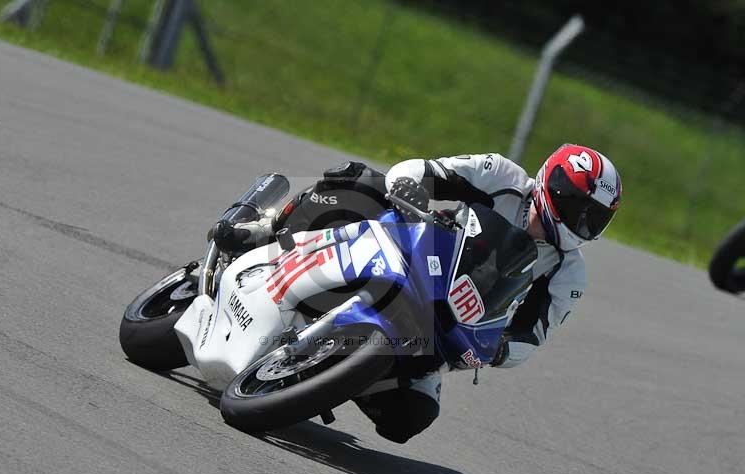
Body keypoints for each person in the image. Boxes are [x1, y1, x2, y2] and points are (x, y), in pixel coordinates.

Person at [214, 144, 622, 443]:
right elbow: (423, 170)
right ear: (555, 187)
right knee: (360, 181)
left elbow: (532, 336)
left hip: (446, 323)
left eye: (595, 218)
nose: (583, 223)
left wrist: (498, 349)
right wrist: (409, 190)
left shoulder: (567, 272)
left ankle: (337, 375)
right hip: (418, 250)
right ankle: (265, 230)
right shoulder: (502, 176)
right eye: (579, 208)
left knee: (410, 418)